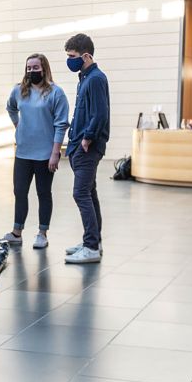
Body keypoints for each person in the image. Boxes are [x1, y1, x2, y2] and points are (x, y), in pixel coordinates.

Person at [0, 54, 70, 249]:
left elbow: (61, 124)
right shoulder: (18, 91)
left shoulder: (56, 93)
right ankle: (16, 232)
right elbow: (10, 108)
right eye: (29, 68)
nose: (32, 71)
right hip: (23, 151)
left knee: (43, 193)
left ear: (44, 68)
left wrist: (56, 152)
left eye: (35, 67)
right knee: (19, 191)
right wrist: (18, 125)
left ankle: (42, 232)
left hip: (45, 154)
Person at [63, 33, 111, 265]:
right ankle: (92, 241)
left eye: (72, 56)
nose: (69, 60)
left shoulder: (95, 79)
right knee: (89, 193)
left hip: (87, 146)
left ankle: (91, 247)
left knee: (80, 193)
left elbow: (100, 114)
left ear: (86, 55)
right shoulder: (85, 78)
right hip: (79, 144)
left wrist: (87, 138)